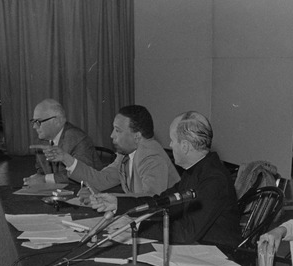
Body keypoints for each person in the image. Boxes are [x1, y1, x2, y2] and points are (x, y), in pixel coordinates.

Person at [89, 111, 241, 248]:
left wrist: (137, 225)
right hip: (198, 247)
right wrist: (118, 203)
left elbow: (186, 232)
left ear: (185, 146)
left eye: (173, 140)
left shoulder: (214, 179)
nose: (170, 145)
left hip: (218, 254)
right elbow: (161, 202)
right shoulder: (197, 169)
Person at [43, 104, 179, 197]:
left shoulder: (151, 156)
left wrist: (110, 199)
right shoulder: (126, 154)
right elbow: (102, 179)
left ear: (137, 136)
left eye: (118, 130)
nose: (112, 135)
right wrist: (66, 158)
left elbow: (150, 200)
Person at [24, 98, 99, 186]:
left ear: (57, 121)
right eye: (33, 121)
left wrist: (44, 179)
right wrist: (35, 179)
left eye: (38, 121)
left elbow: (82, 176)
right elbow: (41, 171)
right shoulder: (42, 141)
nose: (34, 127)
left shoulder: (77, 139)